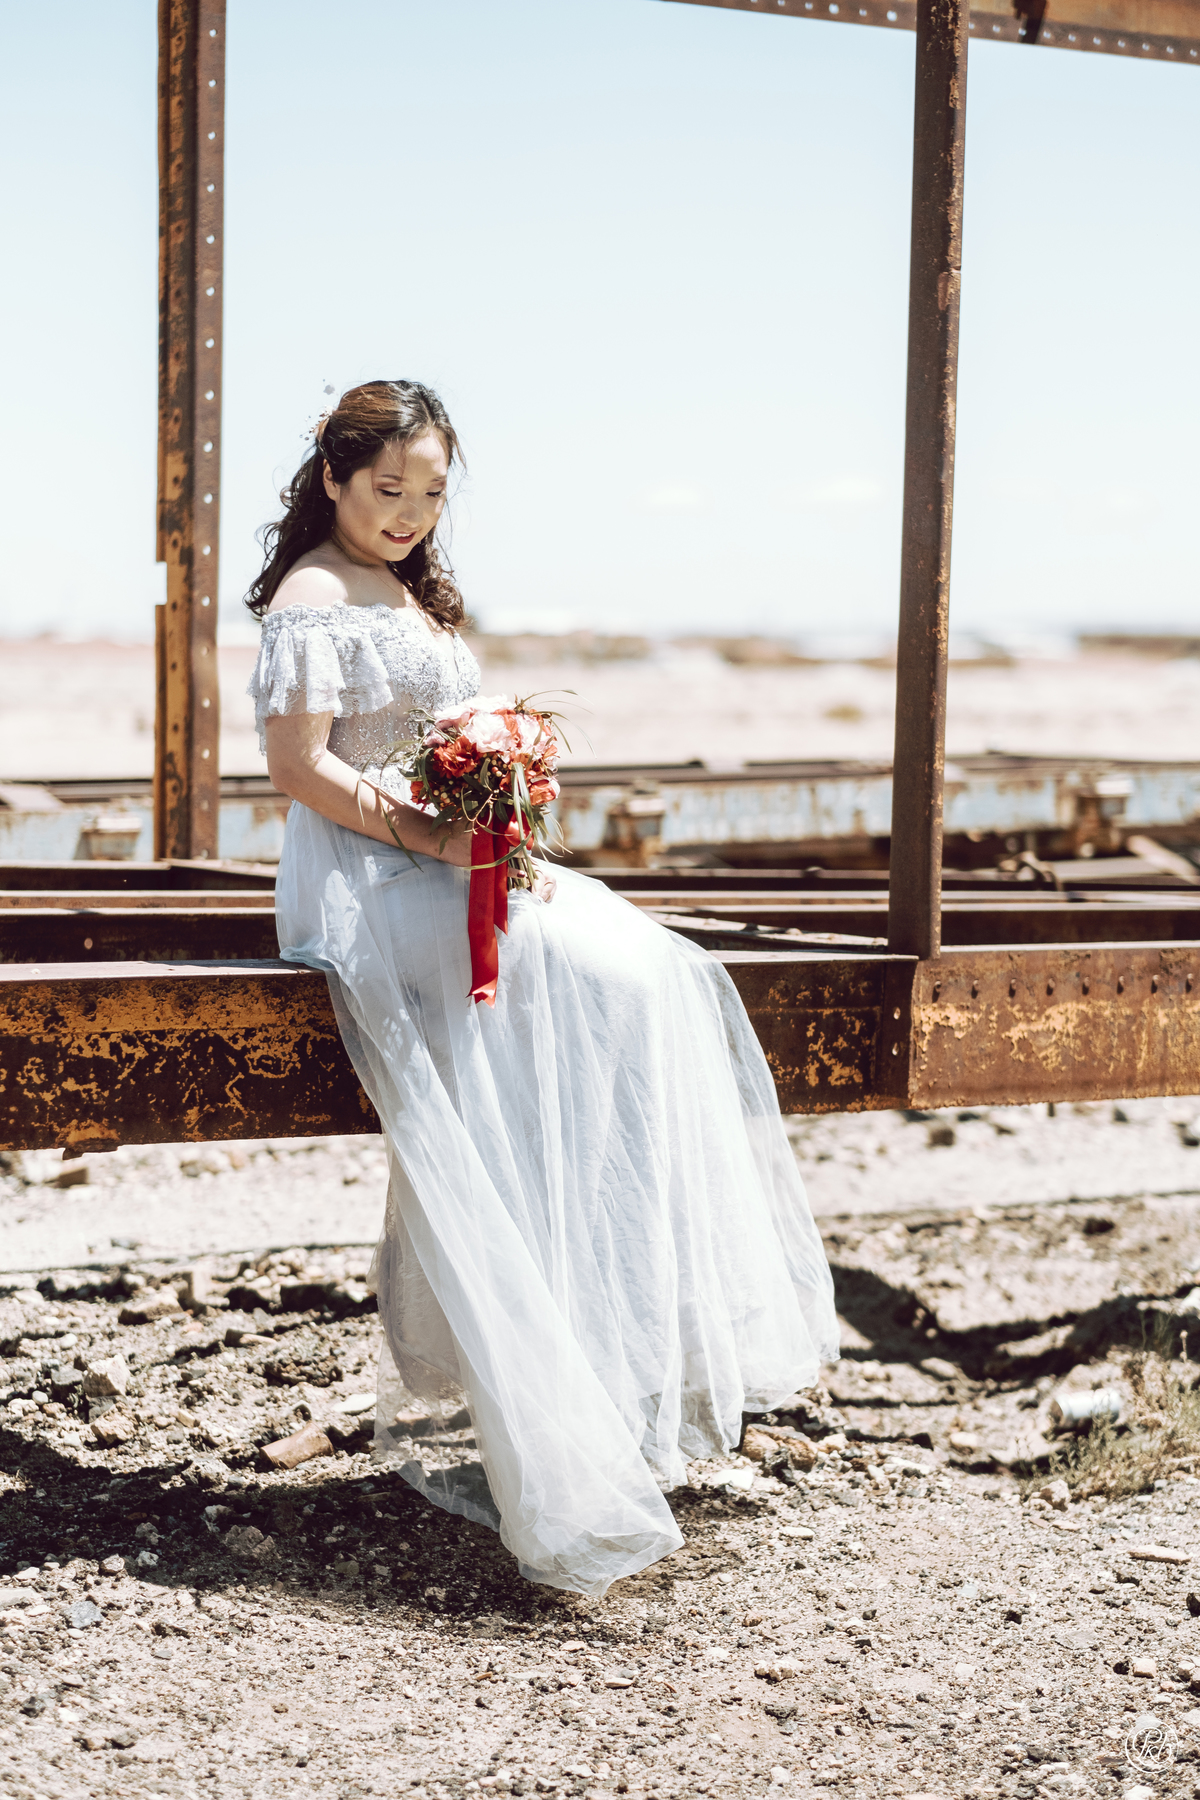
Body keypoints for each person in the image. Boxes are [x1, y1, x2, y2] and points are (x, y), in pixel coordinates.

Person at [246, 379, 838, 1597]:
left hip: (439, 856)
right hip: (368, 877)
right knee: (590, 975)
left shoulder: (405, 587)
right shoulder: (312, 596)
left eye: (431, 493)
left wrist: (499, 801)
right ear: (335, 478)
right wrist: (439, 839)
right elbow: (301, 772)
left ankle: (617, 1327)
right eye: (387, 488)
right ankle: (562, 1364)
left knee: (652, 974)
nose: (408, 513)